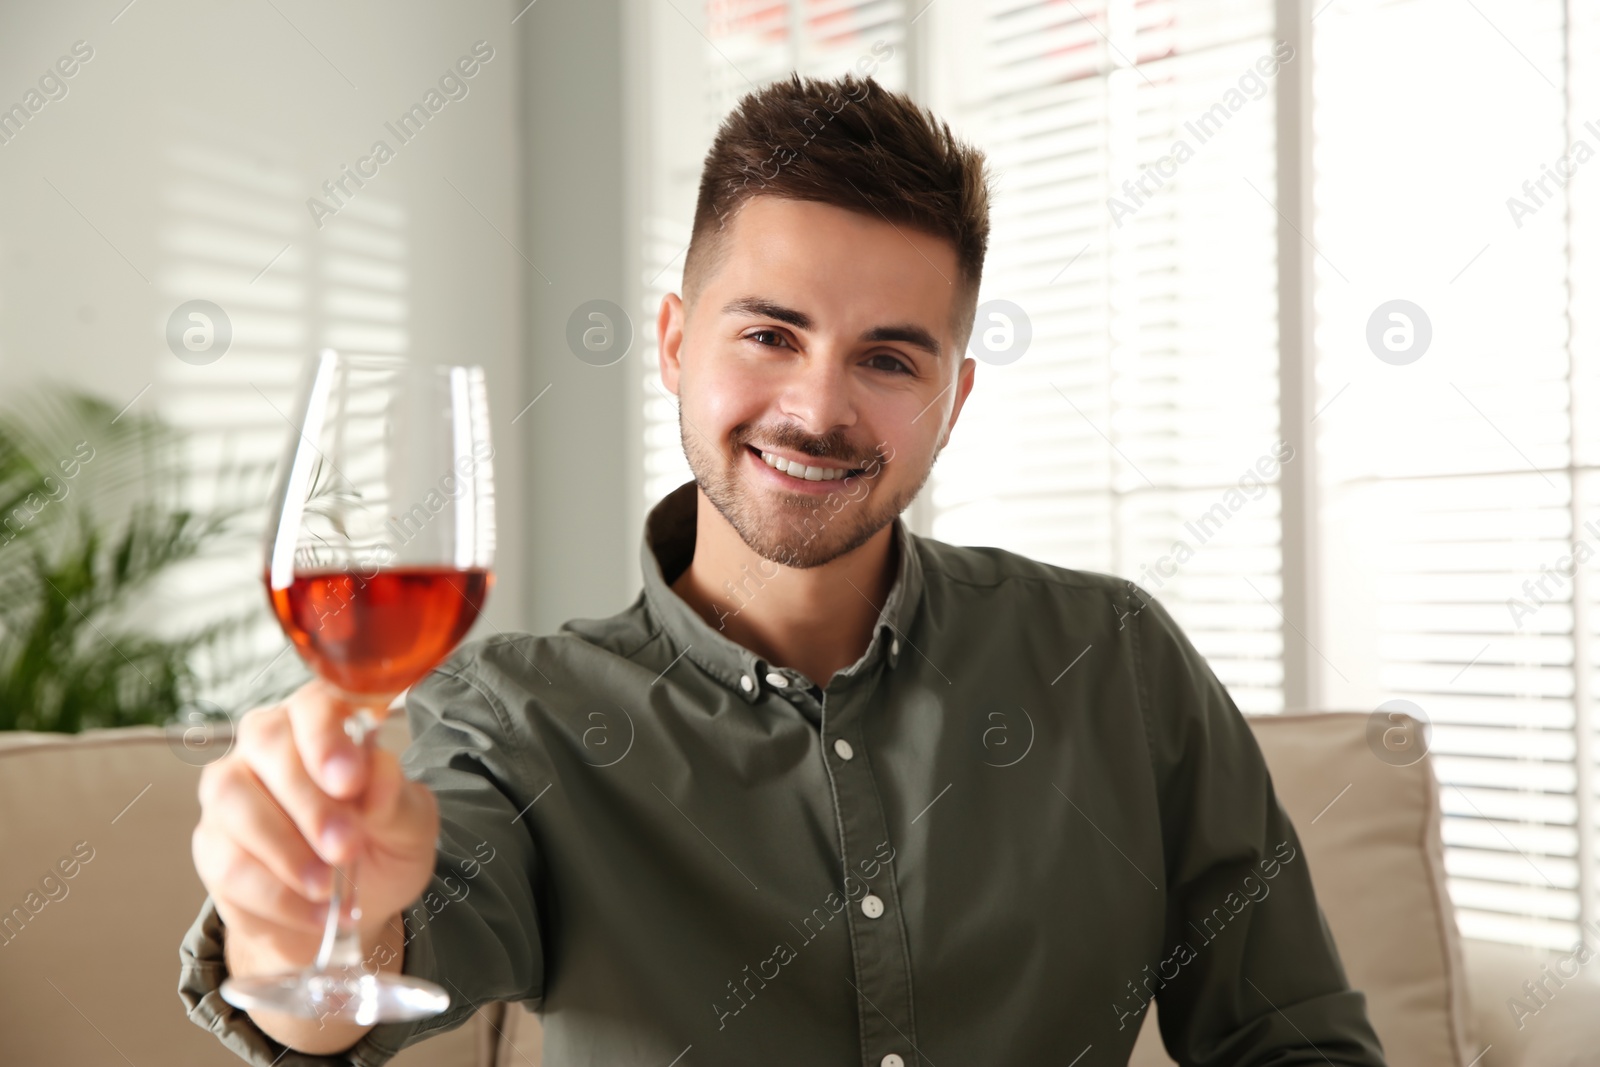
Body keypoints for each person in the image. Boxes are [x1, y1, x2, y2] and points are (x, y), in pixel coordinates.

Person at [180, 72, 1388, 1067]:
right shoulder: (517, 714)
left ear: (953, 398)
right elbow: (352, 991)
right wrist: (297, 924)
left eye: (889, 360)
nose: (816, 409)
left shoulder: (1114, 660)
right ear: (671, 341)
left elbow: (1295, 1041)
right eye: (769, 333)